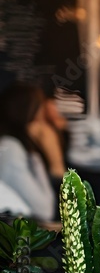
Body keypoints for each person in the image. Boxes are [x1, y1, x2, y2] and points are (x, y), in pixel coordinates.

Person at [0, 83, 58, 220]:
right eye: (41, 107)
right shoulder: (10, 149)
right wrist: (42, 156)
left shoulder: (10, 145)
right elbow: (44, 210)